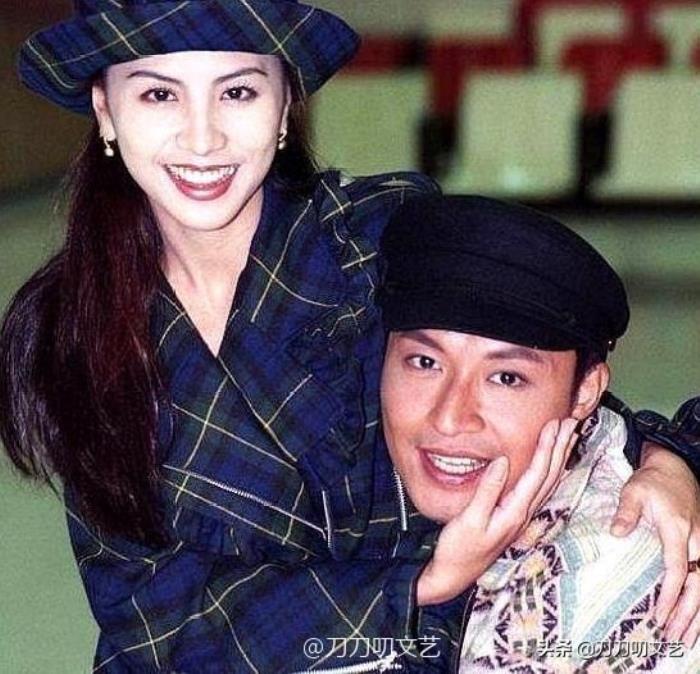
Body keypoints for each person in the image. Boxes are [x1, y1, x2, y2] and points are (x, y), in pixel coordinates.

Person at [1, 1, 699, 672]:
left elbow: (534, 380)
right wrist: (418, 584)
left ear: (284, 105)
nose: (203, 138)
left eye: (238, 92)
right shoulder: (73, 327)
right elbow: (148, 614)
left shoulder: (378, 236)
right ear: (105, 109)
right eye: (159, 95)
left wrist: (668, 460)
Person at [377, 194, 700, 672]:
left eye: (506, 378)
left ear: (585, 392)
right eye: (425, 362)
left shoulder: (606, 579)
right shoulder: (338, 476)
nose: (449, 418)